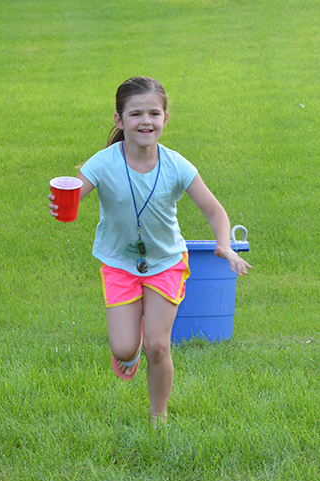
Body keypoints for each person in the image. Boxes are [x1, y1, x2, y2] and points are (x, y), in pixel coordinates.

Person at [48, 76, 252, 424]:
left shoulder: (176, 165)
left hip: (166, 262)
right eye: (136, 114)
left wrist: (223, 244)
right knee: (125, 348)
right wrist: (62, 201)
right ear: (119, 120)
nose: (146, 121)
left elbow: (215, 211)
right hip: (119, 264)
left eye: (154, 113)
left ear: (165, 119)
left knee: (157, 346)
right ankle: (131, 345)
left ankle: (159, 416)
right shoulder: (104, 162)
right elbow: (75, 190)